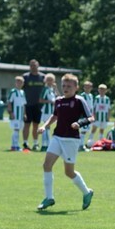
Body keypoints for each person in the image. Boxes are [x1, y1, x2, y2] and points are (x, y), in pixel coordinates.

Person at [36, 74, 95, 212]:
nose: (66, 88)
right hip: (57, 137)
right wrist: (45, 126)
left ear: (76, 88)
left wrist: (79, 123)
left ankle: (87, 192)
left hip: (71, 139)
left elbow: (91, 117)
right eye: (64, 86)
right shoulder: (58, 100)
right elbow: (55, 115)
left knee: (69, 172)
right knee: (46, 165)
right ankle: (49, 197)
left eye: (69, 86)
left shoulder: (79, 100)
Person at [21, 59, 46, 150]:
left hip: (39, 105)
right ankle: (25, 143)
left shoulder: (43, 77)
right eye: (31, 65)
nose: (33, 67)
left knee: (36, 124)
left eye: (35, 65)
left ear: (38, 66)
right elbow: (20, 89)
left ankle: (35, 143)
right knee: (27, 124)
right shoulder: (26, 77)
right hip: (28, 104)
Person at [87, 83, 112, 149]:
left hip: (104, 117)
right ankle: (89, 141)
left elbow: (109, 109)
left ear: (106, 90)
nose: (102, 91)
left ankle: (100, 143)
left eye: (103, 90)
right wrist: (93, 116)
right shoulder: (96, 98)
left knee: (102, 130)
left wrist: (109, 117)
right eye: (101, 90)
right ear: (98, 90)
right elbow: (94, 108)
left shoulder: (107, 99)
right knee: (94, 129)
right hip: (97, 117)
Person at [6, 76, 26, 151]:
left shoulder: (22, 92)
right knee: (16, 129)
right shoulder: (13, 91)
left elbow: (24, 104)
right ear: (15, 83)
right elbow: (9, 102)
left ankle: (16, 145)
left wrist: (24, 114)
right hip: (15, 114)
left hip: (20, 114)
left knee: (18, 129)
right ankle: (14, 145)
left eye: (20, 82)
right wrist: (10, 112)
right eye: (17, 82)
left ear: (23, 83)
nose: (19, 84)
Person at [39, 73, 57, 151]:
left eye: (51, 80)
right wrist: (49, 101)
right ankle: (44, 144)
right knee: (45, 127)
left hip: (51, 111)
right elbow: (40, 100)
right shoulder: (45, 89)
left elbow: (59, 97)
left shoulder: (52, 89)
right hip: (46, 110)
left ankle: (48, 144)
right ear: (45, 81)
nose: (49, 82)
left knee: (48, 127)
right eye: (48, 80)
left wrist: (56, 89)